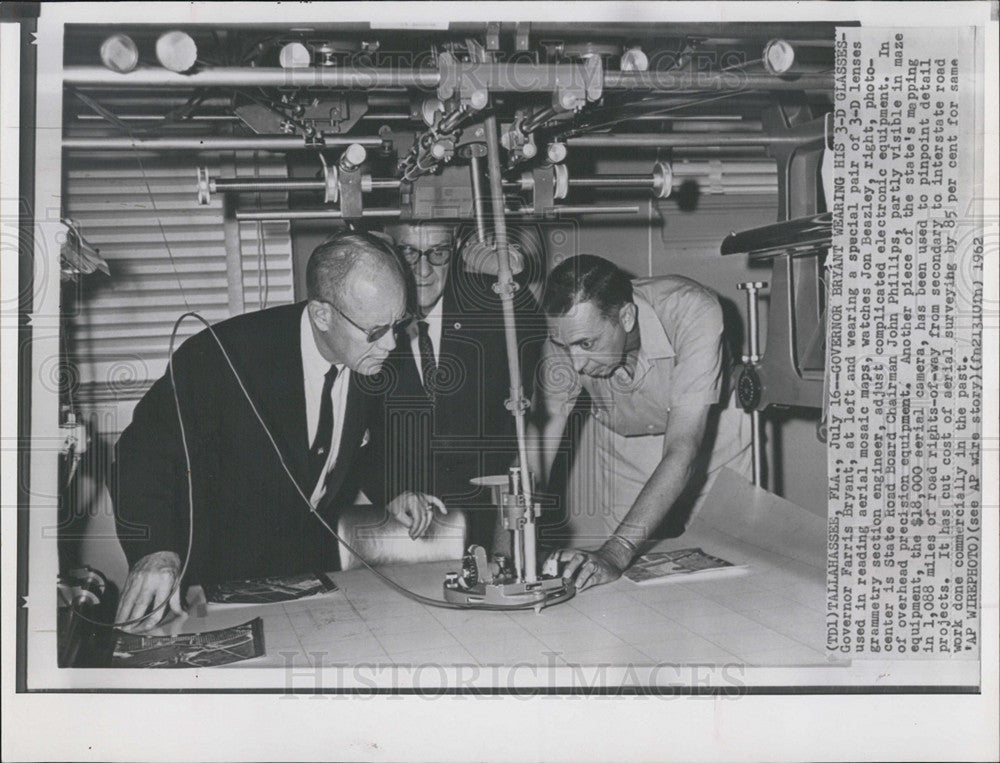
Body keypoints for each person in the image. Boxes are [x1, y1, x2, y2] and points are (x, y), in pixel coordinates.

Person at [112, 232, 443, 630]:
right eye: (376, 330)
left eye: (398, 323)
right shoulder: (222, 356)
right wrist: (155, 551)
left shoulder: (373, 357)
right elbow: (142, 455)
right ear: (323, 315)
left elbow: (365, 444)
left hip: (308, 578)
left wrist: (395, 489)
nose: (392, 343)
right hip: (209, 587)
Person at [532, 254, 752, 591]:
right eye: (564, 346)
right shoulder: (566, 334)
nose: (574, 364)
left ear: (627, 316)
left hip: (711, 438)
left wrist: (616, 551)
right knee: (619, 588)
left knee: (737, 571)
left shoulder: (693, 309)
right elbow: (537, 453)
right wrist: (506, 556)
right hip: (626, 444)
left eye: (587, 344)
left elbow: (683, 450)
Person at [375, 221, 544, 548]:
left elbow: (519, 423)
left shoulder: (500, 310)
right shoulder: (365, 320)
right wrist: (390, 492)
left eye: (437, 253)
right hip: (398, 517)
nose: (423, 270)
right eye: (408, 252)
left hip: (484, 516)